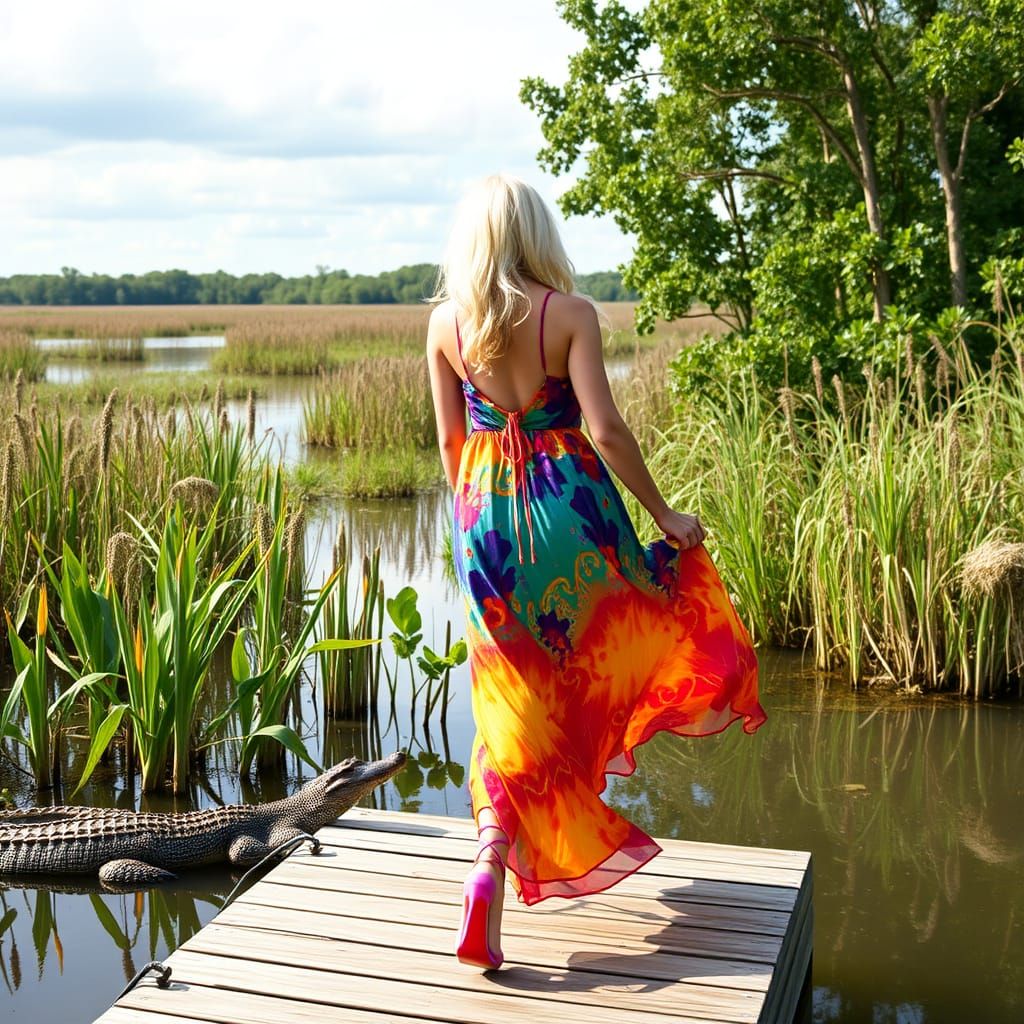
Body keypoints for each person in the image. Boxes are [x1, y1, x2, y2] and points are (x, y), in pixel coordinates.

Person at [425, 174, 767, 971]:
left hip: (486, 524)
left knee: (507, 699)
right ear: (538, 235)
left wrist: (482, 518)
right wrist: (664, 516)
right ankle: (518, 838)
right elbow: (606, 430)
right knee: (610, 646)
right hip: (574, 511)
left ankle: (488, 861)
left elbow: (450, 448)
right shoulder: (570, 314)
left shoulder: (444, 323)